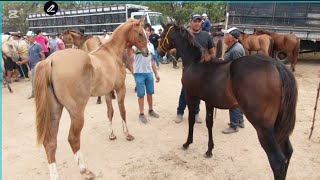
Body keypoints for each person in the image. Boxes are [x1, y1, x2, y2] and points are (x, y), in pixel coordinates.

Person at [175, 14, 216, 124]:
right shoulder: (184, 35)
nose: (197, 23)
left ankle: (196, 113)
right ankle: (180, 112)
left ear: (201, 23)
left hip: (202, 71)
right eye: (195, 21)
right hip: (188, 70)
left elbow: (213, 52)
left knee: (198, 93)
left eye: (199, 21)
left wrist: (209, 57)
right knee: (185, 91)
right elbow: (178, 51)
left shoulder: (206, 36)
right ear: (191, 22)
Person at [133, 23, 160, 124]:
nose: (147, 32)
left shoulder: (151, 45)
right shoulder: (137, 44)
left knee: (150, 93)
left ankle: (151, 110)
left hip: (149, 73)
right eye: (145, 30)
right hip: (139, 73)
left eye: (148, 30)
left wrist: (156, 74)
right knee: (141, 94)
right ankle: (141, 113)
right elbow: (132, 51)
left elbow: (152, 60)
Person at [220, 27, 246, 134]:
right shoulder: (233, 47)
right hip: (234, 79)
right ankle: (240, 121)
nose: (224, 37)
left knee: (233, 101)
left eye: (226, 35)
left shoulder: (236, 50)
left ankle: (234, 125)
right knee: (238, 101)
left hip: (235, 80)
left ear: (231, 38)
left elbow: (237, 68)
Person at [17, 31, 45, 99]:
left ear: (33, 38)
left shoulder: (38, 45)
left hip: (38, 66)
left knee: (39, 81)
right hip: (32, 67)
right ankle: (34, 94)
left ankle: (41, 95)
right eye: (27, 37)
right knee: (33, 81)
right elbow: (29, 58)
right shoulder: (29, 47)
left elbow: (43, 56)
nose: (27, 38)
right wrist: (22, 62)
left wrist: (42, 65)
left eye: (29, 37)